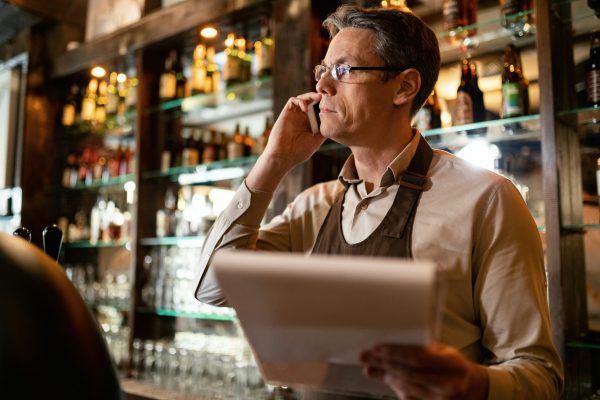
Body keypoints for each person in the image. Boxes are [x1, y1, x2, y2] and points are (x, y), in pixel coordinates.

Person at [195, 5, 563, 399]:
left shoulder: (486, 199)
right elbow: (213, 288)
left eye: (343, 70)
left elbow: (540, 375)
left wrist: (471, 384)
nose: (322, 88)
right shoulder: (312, 206)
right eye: (323, 71)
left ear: (404, 87)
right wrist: (272, 162)